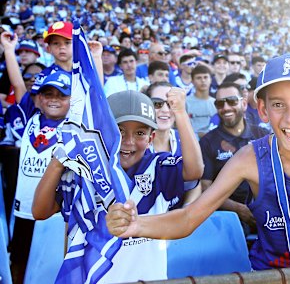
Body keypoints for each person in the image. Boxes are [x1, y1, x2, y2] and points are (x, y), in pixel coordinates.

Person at [107, 53, 290, 270]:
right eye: (278, 104)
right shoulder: (249, 158)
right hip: (272, 278)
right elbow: (189, 218)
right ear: (262, 110)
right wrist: (136, 224)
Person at [32, 89, 204, 283]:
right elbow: (40, 211)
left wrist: (180, 112)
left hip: (149, 279)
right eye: (119, 130)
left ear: (151, 138)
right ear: (102, 132)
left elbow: (195, 171)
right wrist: (57, 162)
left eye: (140, 133)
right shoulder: (84, 171)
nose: (128, 142)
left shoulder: (158, 167)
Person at [11, 70, 71, 283]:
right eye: (48, 93)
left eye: (62, 95)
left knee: (48, 264)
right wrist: (9, 50)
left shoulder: (73, 126)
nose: (54, 99)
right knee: (19, 260)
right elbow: (19, 86)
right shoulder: (30, 115)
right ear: (38, 98)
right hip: (24, 209)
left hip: (53, 213)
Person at [199, 82, 269, 234]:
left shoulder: (263, 136)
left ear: (244, 103)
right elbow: (206, 187)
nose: (226, 108)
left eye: (231, 101)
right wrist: (238, 209)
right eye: (219, 104)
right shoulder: (207, 142)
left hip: (268, 211)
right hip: (229, 217)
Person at [186, 63, 217, 137]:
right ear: (192, 81)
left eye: (205, 77)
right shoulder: (185, 102)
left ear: (211, 80)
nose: (203, 80)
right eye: (199, 78)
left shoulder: (216, 103)